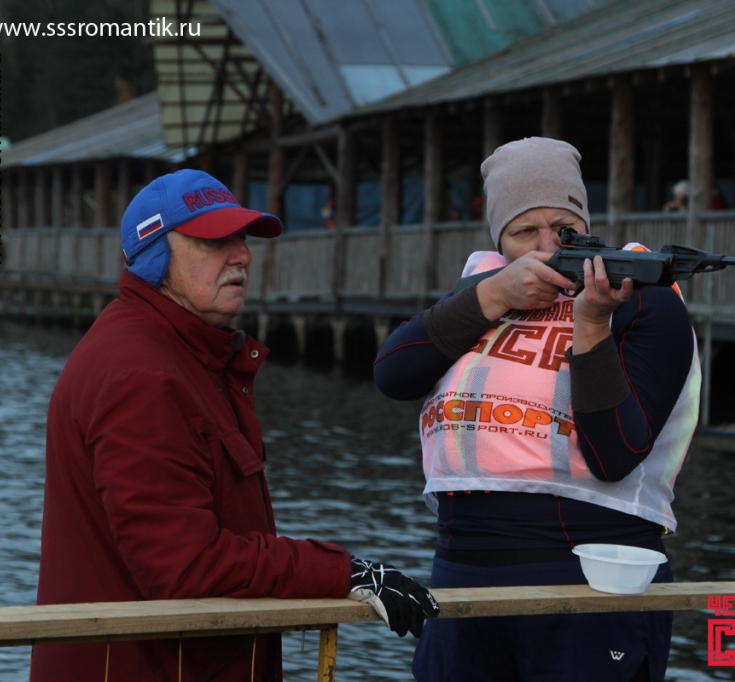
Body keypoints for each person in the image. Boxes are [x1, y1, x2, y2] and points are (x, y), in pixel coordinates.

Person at [34, 169, 438, 681]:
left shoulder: (173, 354)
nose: (243, 256)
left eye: (242, 239)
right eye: (214, 241)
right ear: (155, 255)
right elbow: (184, 564)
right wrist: (344, 571)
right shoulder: (143, 376)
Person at [373, 138, 701, 681]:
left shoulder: (644, 299)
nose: (547, 246)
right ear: (498, 240)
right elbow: (393, 373)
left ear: (587, 227)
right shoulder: (481, 294)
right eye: (525, 232)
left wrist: (591, 324)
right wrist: (494, 296)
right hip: (463, 570)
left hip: (597, 576)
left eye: (564, 229)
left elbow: (615, 454)